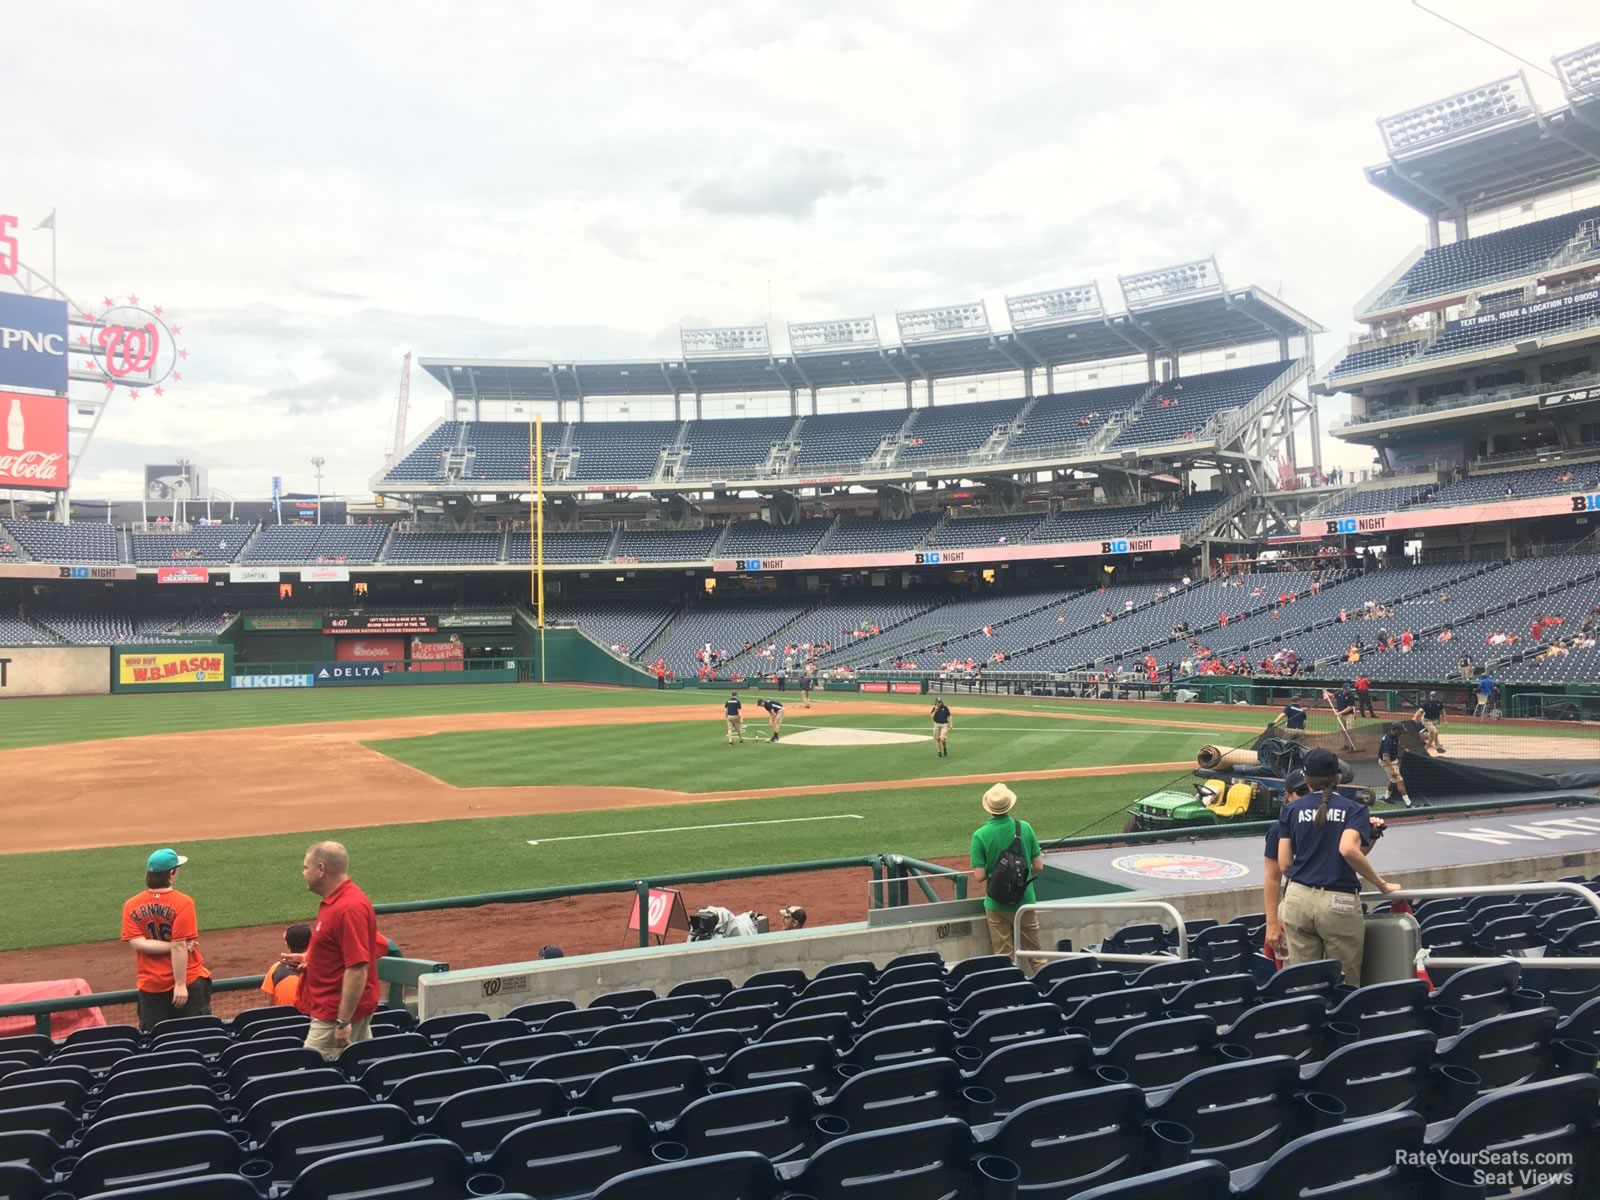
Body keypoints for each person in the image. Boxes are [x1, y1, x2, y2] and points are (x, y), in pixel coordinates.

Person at [1275, 748, 1402, 984]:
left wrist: (1311, 871)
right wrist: (1381, 884)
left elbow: (1284, 865)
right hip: (1337, 901)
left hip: (1297, 898)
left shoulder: (1291, 810)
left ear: (1306, 779)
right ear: (1338, 777)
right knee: (1344, 981)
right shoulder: (1354, 809)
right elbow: (1348, 851)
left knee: (1304, 981)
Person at [297, 841, 380, 1060]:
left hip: (335, 1014)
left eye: (306, 868)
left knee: (312, 1075)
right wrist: (311, 958)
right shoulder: (339, 902)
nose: (303, 873)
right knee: (357, 1066)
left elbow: (357, 967)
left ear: (321, 869)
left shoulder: (347, 909)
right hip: (336, 1009)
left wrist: (343, 1022)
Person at [120, 848, 212, 1031]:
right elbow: (178, 946)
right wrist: (179, 984)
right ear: (171, 873)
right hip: (187, 981)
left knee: (157, 1040)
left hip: (151, 984)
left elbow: (137, 943)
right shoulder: (183, 902)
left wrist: (177, 946)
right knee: (196, 1037)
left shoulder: (131, 904)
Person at [969, 784, 1044, 973]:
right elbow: (1038, 867)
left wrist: (998, 869)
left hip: (996, 905)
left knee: (1004, 959)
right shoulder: (1025, 827)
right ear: (1009, 805)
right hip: (1025, 901)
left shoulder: (980, 835)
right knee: (1037, 957)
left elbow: (978, 876)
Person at [1262, 769, 1312, 962]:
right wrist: (1272, 923)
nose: (1306, 797)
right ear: (1288, 796)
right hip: (1294, 906)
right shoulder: (1278, 829)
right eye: (1301, 792)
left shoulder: (1327, 822)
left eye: (1310, 791)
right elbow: (1272, 877)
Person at [261, 923, 312, 1006]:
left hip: (285, 1018)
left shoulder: (275, 969)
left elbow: (270, 1005)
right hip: (311, 1018)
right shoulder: (322, 968)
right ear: (311, 943)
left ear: (287, 945)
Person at [1378, 721, 1415, 808]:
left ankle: (1386, 797)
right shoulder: (1388, 741)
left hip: (1392, 761)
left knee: (1393, 780)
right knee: (1399, 781)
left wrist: (1403, 748)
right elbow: (1386, 756)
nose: (1402, 732)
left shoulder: (1394, 735)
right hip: (1387, 763)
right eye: (1401, 730)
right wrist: (1392, 770)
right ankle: (1408, 803)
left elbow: (1397, 742)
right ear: (1396, 730)